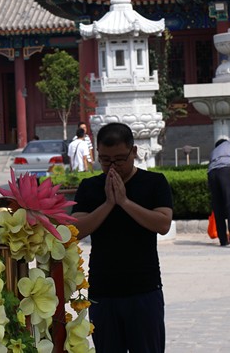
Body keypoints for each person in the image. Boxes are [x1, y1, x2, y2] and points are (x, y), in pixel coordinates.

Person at [71, 122, 173, 352]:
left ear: (133, 152)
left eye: (119, 159)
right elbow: (76, 230)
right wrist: (108, 203)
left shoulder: (154, 183)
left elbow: (163, 223)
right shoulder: (90, 186)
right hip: (103, 290)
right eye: (105, 160)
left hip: (144, 288)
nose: (113, 166)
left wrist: (125, 202)